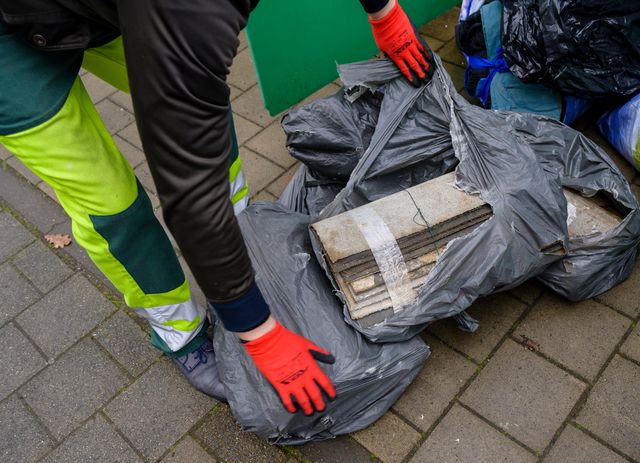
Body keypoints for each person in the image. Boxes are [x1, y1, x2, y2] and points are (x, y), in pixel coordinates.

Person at [0, 0, 433, 416]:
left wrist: (383, 11)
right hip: (8, 45)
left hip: (105, 13)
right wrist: (257, 332)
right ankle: (180, 335)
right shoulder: (186, 14)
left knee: (209, 121)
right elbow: (189, 191)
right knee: (113, 207)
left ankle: (246, 252)